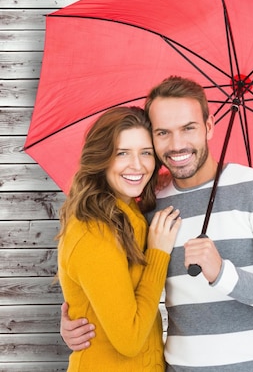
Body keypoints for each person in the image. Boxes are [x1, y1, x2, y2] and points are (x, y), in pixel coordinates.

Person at [61, 76, 253, 371]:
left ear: (208, 127)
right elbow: (113, 280)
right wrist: (78, 318)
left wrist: (223, 274)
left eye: (188, 128)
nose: (177, 144)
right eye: (163, 133)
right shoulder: (150, 205)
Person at [57, 106, 183, 371]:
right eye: (122, 153)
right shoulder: (94, 229)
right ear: (101, 158)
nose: (137, 165)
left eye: (146, 152)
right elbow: (129, 340)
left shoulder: (133, 214)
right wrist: (158, 254)